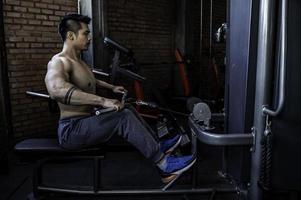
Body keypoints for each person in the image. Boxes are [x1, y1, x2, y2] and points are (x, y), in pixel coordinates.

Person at [45, 13, 196, 184]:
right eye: (85, 33)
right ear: (71, 36)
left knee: (127, 108)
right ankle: (164, 165)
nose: (89, 37)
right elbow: (57, 89)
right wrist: (103, 101)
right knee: (122, 117)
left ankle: (157, 146)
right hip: (71, 131)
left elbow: (90, 80)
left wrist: (111, 88)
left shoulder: (79, 61)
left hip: (84, 122)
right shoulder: (58, 62)